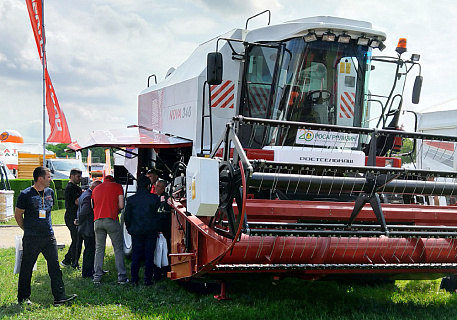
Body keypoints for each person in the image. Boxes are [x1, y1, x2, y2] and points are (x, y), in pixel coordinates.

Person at [15, 166, 77, 306]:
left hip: (48, 237)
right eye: (48, 177)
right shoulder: (25, 194)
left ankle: (59, 297)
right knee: (27, 267)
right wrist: (27, 229)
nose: (51, 179)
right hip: (32, 238)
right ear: (40, 178)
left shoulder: (50, 192)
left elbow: (48, 212)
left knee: (54, 267)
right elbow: (18, 215)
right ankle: (23, 298)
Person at [91, 175, 128, 284]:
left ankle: (97, 276)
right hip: (111, 219)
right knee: (118, 248)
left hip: (97, 221)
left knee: (99, 249)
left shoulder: (96, 188)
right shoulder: (117, 186)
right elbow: (121, 205)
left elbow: (92, 205)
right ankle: (121, 276)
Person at [124, 176, 160, 286]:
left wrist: (129, 228)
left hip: (136, 231)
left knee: (136, 255)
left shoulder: (131, 199)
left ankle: (134, 279)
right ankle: (148, 279)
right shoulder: (155, 199)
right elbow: (158, 216)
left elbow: (127, 216)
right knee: (149, 255)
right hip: (151, 231)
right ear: (149, 186)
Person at [77, 180, 102, 278]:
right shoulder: (88, 196)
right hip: (88, 227)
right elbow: (84, 212)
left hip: (84, 227)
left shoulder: (85, 194)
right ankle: (87, 272)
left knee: (89, 250)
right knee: (90, 251)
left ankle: (90, 270)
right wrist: (79, 221)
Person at [61, 168, 83, 269]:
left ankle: (68, 259)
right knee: (76, 240)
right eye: (78, 176)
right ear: (72, 176)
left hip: (72, 215)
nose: (80, 178)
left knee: (76, 239)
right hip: (71, 216)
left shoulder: (74, 187)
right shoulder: (71, 188)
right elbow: (77, 201)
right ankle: (71, 261)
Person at [155, 179, 172, 277]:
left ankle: (164, 269)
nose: (156, 188)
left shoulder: (166, 200)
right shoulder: (159, 198)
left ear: (164, 188)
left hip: (165, 230)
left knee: (164, 250)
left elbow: (163, 215)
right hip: (163, 229)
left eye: (158, 186)